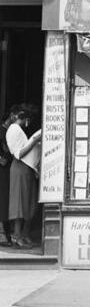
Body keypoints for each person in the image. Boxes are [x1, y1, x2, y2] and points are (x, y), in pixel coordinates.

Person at [7, 107, 41, 249]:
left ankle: (24, 234)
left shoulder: (17, 129)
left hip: (26, 169)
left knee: (29, 201)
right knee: (20, 202)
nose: (28, 123)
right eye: (28, 120)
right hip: (20, 168)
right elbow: (18, 153)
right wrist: (34, 141)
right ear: (26, 119)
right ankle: (17, 236)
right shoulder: (14, 130)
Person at [0, 105, 19, 247]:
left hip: (7, 170)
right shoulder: (2, 131)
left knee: (6, 200)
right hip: (2, 169)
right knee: (3, 200)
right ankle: (3, 235)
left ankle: (6, 234)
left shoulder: (10, 131)